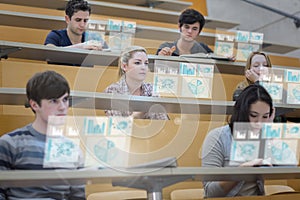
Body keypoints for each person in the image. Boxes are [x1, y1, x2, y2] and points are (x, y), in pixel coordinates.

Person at [0, 71, 85, 199]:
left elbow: (77, 197)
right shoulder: (10, 143)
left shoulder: (73, 150)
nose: (62, 107)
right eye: (53, 101)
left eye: (65, 99)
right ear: (34, 105)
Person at [201, 84, 275, 198]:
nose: (260, 123)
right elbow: (211, 192)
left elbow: (290, 166)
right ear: (242, 112)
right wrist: (240, 172)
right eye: (254, 115)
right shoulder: (217, 137)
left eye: (265, 117)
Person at [104, 46, 169, 120]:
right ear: (124, 66)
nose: (143, 67)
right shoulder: (112, 90)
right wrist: (136, 116)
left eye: (146, 63)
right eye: (137, 63)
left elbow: (163, 123)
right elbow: (115, 127)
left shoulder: (152, 89)